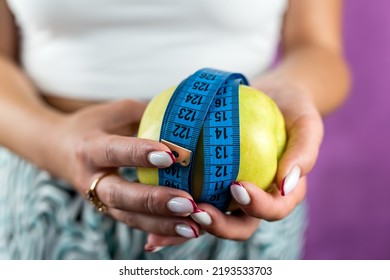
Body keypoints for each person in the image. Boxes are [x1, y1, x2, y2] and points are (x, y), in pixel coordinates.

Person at [0, 0, 350, 259]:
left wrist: (293, 89)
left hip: (235, 204)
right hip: (44, 184)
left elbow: (317, 47)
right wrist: (53, 143)